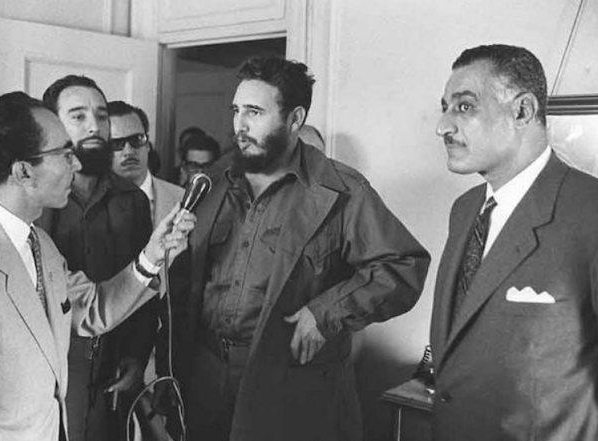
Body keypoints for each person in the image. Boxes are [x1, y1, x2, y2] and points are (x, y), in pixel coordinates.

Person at [164, 56, 430, 441]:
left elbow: (404, 266)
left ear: (294, 119)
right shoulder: (212, 181)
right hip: (204, 376)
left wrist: (326, 312)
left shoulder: (343, 191)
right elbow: (183, 281)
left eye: (254, 112)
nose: (239, 125)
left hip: (288, 383)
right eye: (236, 110)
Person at [0, 91, 195, 441]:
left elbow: (91, 308)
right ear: (23, 171)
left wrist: (153, 255)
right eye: (64, 154)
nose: (78, 164)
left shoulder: (41, 244)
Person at [431, 44, 598, 441]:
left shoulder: (590, 211)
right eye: (445, 107)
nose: (442, 125)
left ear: (522, 111)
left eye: (464, 106)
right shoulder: (466, 209)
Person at [41, 75, 156, 441]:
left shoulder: (133, 200)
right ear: (51, 125)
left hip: (112, 368)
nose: (94, 125)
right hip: (52, 369)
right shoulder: (38, 198)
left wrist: (138, 356)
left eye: (101, 115)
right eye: (78, 116)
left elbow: (144, 288)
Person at [108, 100, 184, 227]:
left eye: (136, 140)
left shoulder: (182, 199)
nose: (129, 151)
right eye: (116, 144)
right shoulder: (91, 206)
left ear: (148, 144)